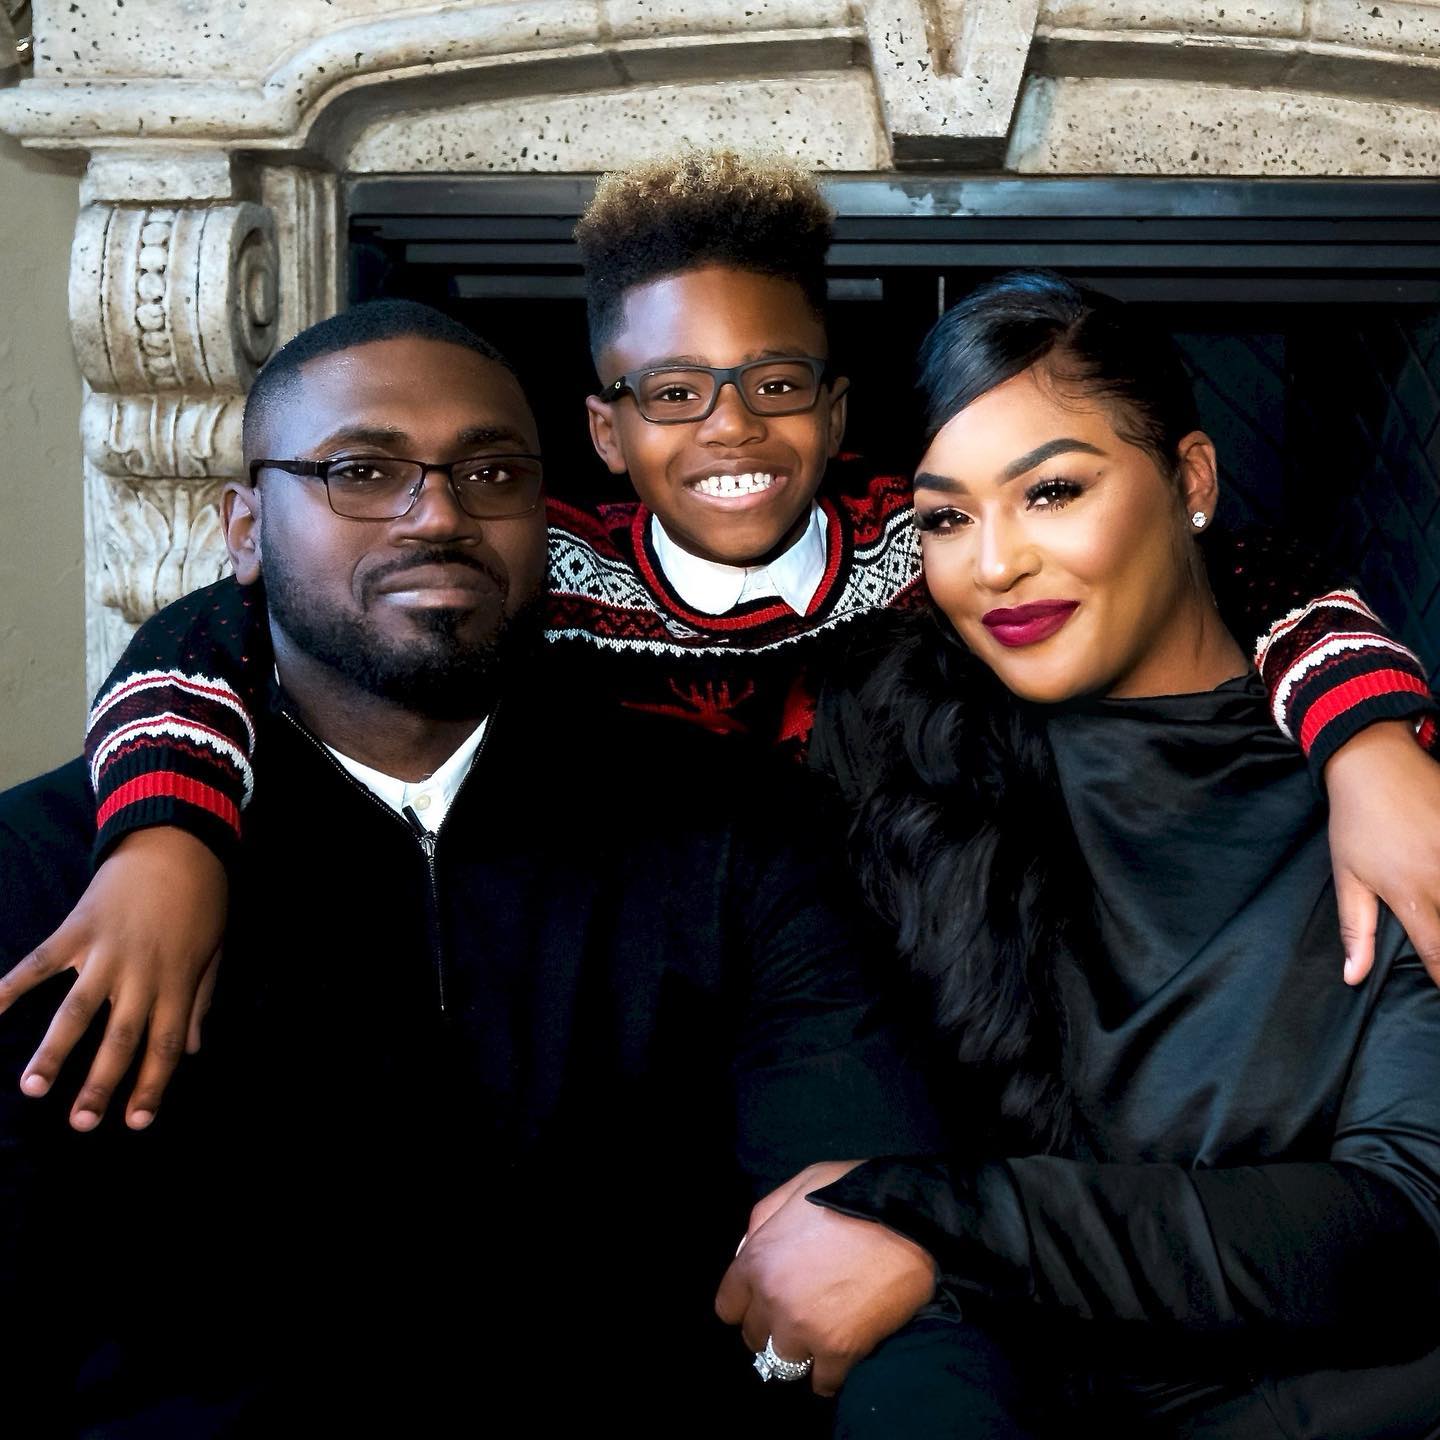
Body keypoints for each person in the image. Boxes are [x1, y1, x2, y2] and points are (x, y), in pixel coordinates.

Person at [6, 150, 1440, 1132]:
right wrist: (166, 841)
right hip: (660, 970)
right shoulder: (536, 555)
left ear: (834, 403)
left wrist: (1372, 744)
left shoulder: (919, 537)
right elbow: (227, 629)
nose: (733, 431)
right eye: (675, 394)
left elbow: (1241, 568)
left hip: (910, 962)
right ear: (607, 433)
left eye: (772, 383)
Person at [0, 302, 933, 1433]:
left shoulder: (733, 823)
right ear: (243, 529)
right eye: (361, 470)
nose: (437, 513)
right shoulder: (52, 868)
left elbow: (847, 1180)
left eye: (490, 471)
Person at [715, 271, 1440, 1436]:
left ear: (1190, 480)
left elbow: (1404, 1232)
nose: (993, 564)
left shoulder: (1391, 794)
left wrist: (944, 1225)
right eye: (947, 516)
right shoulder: (895, 754)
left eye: (1051, 490)